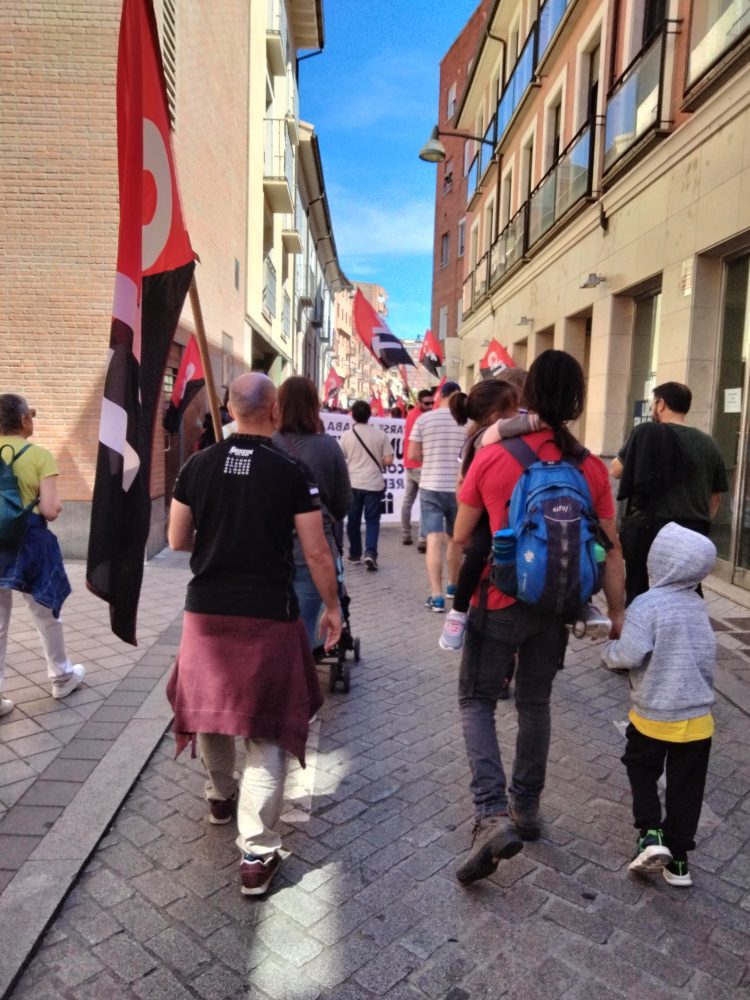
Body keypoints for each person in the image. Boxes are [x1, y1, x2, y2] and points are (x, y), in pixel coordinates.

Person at [452, 350, 625, 885]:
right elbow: (611, 549)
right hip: (556, 606)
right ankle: (525, 807)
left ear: (524, 397)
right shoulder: (591, 466)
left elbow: (460, 537)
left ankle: (491, 814)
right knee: (535, 702)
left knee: (477, 699)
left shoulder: (493, 455)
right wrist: (617, 614)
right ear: (576, 401)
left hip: (499, 599)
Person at [166, 373, 341, 897]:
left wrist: (220, 531)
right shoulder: (292, 470)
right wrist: (332, 607)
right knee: (264, 729)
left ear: (229, 407)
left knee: (212, 709)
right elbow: (315, 552)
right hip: (268, 611)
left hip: (207, 613)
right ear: (274, 412)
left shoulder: (197, 465)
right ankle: (257, 853)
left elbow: (177, 540)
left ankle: (221, 796)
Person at [601, 522, 716, 887]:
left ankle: (650, 834)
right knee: (687, 788)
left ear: (659, 564)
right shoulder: (698, 605)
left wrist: (608, 652)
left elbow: (630, 653)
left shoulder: (647, 605)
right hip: (698, 719)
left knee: (641, 767)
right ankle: (679, 862)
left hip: (654, 714)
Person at [0, 394, 85, 717]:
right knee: (45, 612)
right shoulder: (38, 456)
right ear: (24, 421)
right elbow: (50, 510)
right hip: (29, 542)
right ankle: (61, 676)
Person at [611, 382, 728, 605]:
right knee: (688, 589)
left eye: (654, 403)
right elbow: (715, 498)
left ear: (661, 404)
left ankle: (640, 633)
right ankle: (684, 631)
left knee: (638, 588)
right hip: (692, 529)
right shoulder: (709, 444)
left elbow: (615, 470)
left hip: (648, 528)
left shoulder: (645, 434)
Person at [439, 379, 520, 656]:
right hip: (481, 510)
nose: (520, 413)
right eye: (515, 408)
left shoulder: (484, 434)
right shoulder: (486, 437)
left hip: (493, 504)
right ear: (497, 417)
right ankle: (459, 612)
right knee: (476, 551)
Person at [272, 376, 351, 649]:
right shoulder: (328, 447)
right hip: (312, 554)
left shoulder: (267, 445)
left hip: (271, 555)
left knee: (273, 633)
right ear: (314, 407)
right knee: (301, 632)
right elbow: (343, 503)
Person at [408, 381, 466, 612]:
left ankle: (436, 596)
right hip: (459, 489)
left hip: (431, 485)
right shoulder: (467, 421)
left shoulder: (424, 419)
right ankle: (453, 586)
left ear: (439, 395)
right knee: (455, 539)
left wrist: (430, 455)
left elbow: (412, 454)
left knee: (433, 539)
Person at [339, 400, 393, 572]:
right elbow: (388, 460)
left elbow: (341, 458)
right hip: (374, 483)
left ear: (352, 415)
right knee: (372, 520)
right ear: (370, 415)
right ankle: (370, 552)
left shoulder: (346, 435)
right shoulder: (380, 434)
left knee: (353, 520)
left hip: (353, 483)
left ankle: (355, 553)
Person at [401, 389, 434, 550]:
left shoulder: (411, 414)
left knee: (408, 500)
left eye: (432, 403)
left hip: (410, 464)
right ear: (419, 402)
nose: (430, 406)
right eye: (427, 403)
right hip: (420, 464)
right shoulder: (420, 417)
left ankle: (406, 534)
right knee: (424, 502)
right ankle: (422, 538)